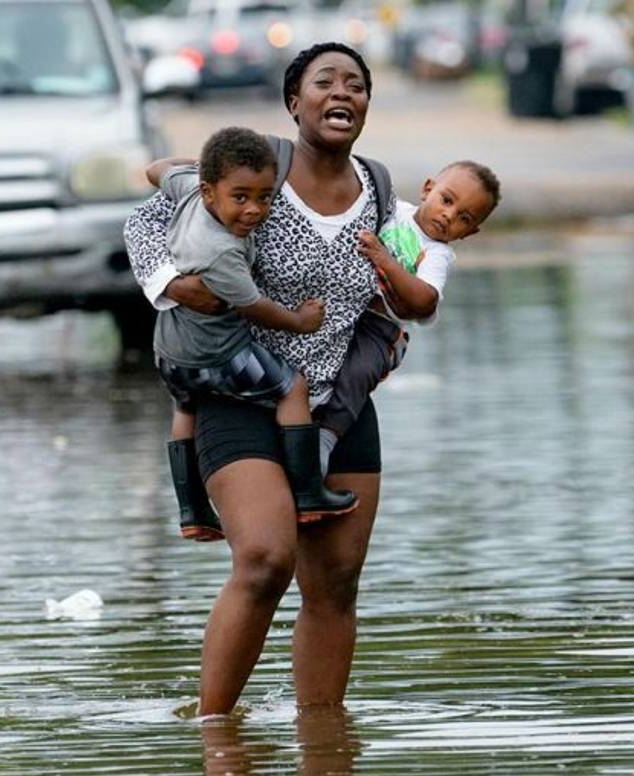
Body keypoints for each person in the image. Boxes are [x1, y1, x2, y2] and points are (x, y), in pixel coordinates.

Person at [125, 42, 394, 714]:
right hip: (238, 389)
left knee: (335, 583)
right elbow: (146, 217)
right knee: (266, 559)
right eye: (324, 81)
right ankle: (215, 734)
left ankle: (325, 748)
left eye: (356, 84)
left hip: (337, 407)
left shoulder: (380, 187)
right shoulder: (252, 164)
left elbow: (398, 290)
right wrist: (172, 285)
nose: (343, 93)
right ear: (293, 101)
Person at [142, 126, 357, 540]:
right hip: (219, 355)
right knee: (292, 388)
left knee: (186, 409)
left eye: (264, 197)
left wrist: (197, 168)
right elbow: (254, 308)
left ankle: (192, 511)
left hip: (170, 352)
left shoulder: (186, 186)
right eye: (240, 197)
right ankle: (309, 491)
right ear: (210, 192)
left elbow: (155, 169)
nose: (254, 210)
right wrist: (300, 321)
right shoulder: (220, 249)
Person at [315, 160, 501, 468]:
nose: (448, 215)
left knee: (358, 373)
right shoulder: (392, 210)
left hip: (380, 327)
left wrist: (384, 259)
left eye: (463, 218)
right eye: (447, 200)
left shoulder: (437, 254)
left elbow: (425, 300)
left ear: (469, 233)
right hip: (343, 304)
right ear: (428, 189)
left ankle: (326, 439)